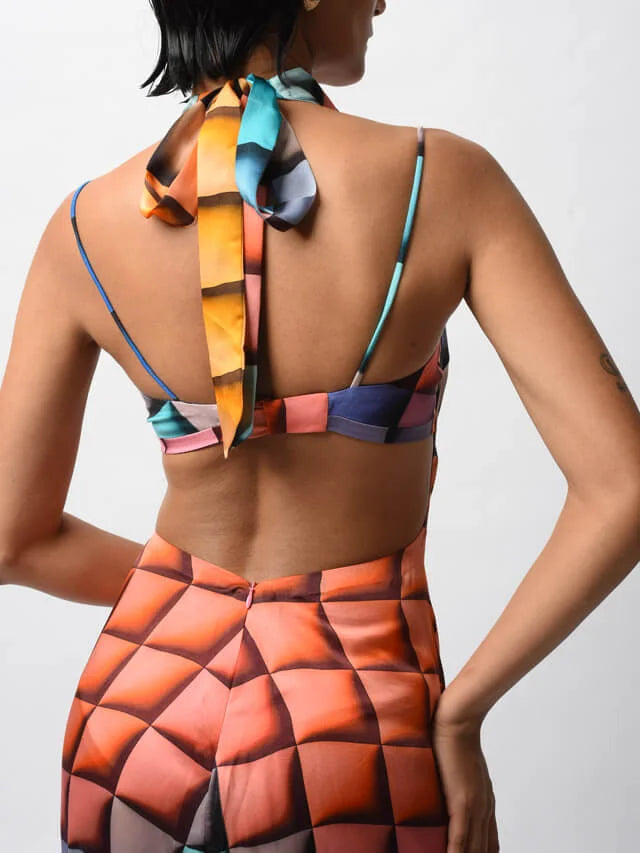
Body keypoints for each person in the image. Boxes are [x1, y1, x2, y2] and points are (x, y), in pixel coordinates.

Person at [1, 1, 639, 851]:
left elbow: (13, 539)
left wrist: (198, 597)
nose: (379, 2)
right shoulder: (438, 179)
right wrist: (461, 713)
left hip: (135, 714)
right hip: (351, 722)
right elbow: (624, 487)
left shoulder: (84, 223)